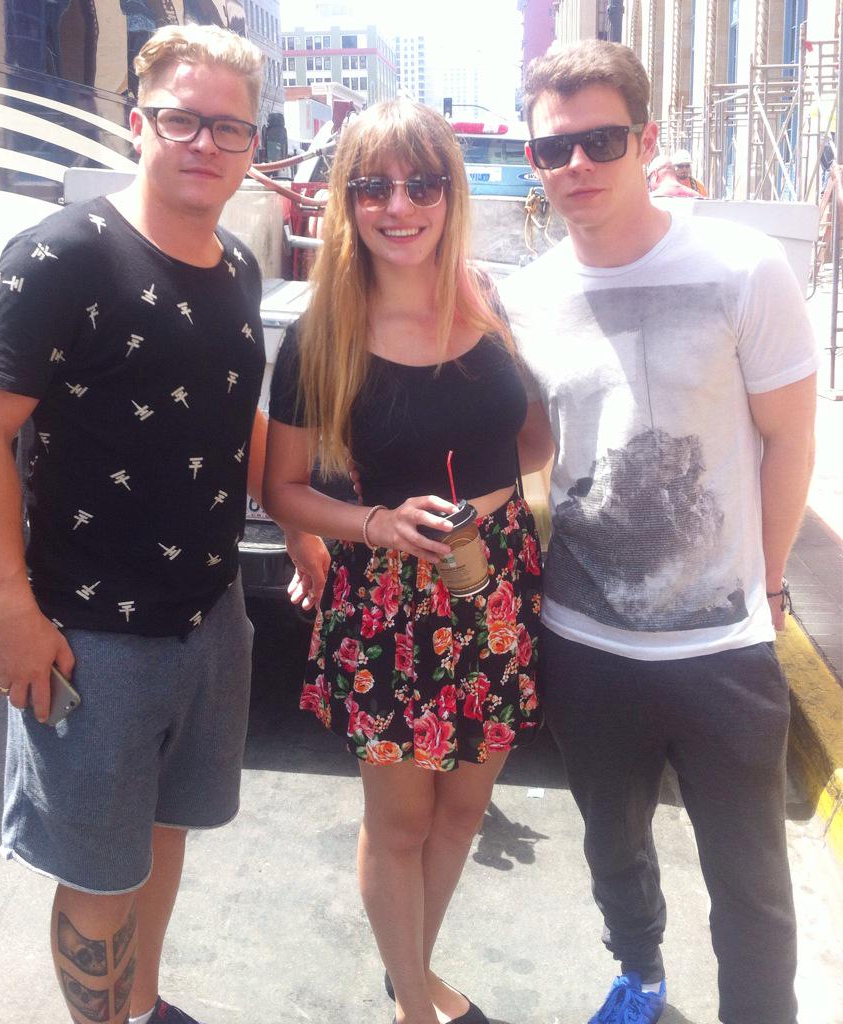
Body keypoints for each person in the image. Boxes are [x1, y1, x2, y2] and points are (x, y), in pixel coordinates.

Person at [0, 24, 327, 1024]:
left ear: (253, 144)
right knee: (99, 872)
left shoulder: (236, 265)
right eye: (181, 119)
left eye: (228, 128)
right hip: (90, 636)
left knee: (163, 833)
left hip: (209, 617)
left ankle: (140, 1006)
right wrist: (8, 608)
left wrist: (295, 523)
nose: (204, 143)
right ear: (137, 122)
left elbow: (230, 411)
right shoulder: (63, 256)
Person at [501, 40, 816, 1024]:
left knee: (751, 884)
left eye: (600, 140)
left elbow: (788, 441)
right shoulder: (526, 295)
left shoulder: (742, 269)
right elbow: (534, 450)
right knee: (612, 845)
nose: (576, 165)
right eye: (552, 149)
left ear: (643, 141)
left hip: (723, 647)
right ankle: (638, 974)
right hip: (584, 641)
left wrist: (766, 585)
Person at [262, 99, 549, 1024]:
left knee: (462, 812)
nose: (400, 206)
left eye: (423, 184)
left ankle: (410, 976)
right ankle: (416, 1010)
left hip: (495, 582)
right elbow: (283, 490)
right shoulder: (322, 334)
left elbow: (533, 441)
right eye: (373, 186)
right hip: (388, 598)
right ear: (345, 200)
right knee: (400, 823)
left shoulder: (487, 299)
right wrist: (376, 523)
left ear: (451, 193)